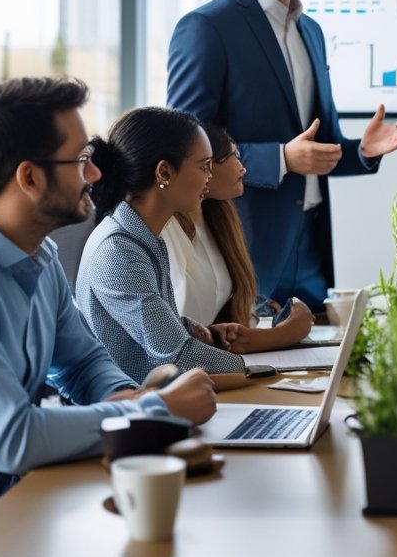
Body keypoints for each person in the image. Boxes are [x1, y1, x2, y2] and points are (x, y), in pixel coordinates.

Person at [0, 77, 216, 510]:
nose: (95, 174)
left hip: (1, 501)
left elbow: (83, 363)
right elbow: (14, 438)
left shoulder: (37, 255)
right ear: (29, 177)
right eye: (81, 160)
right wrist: (155, 411)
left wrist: (126, 397)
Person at [167, 0, 397, 310]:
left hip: (313, 247)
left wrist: (362, 151)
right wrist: (281, 158)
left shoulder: (311, 32)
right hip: (244, 248)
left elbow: (317, 147)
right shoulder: (207, 28)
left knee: (322, 354)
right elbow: (184, 144)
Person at [77, 107, 314, 384]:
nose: (209, 177)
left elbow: (161, 339)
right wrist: (263, 369)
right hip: (133, 404)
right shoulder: (119, 251)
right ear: (164, 173)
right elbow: (180, 358)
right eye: (203, 166)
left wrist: (195, 332)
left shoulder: (142, 237)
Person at [160, 123, 311, 353]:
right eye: (233, 155)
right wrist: (287, 332)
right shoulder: (165, 228)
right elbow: (183, 339)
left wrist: (263, 312)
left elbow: (227, 328)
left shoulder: (218, 218)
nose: (242, 167)